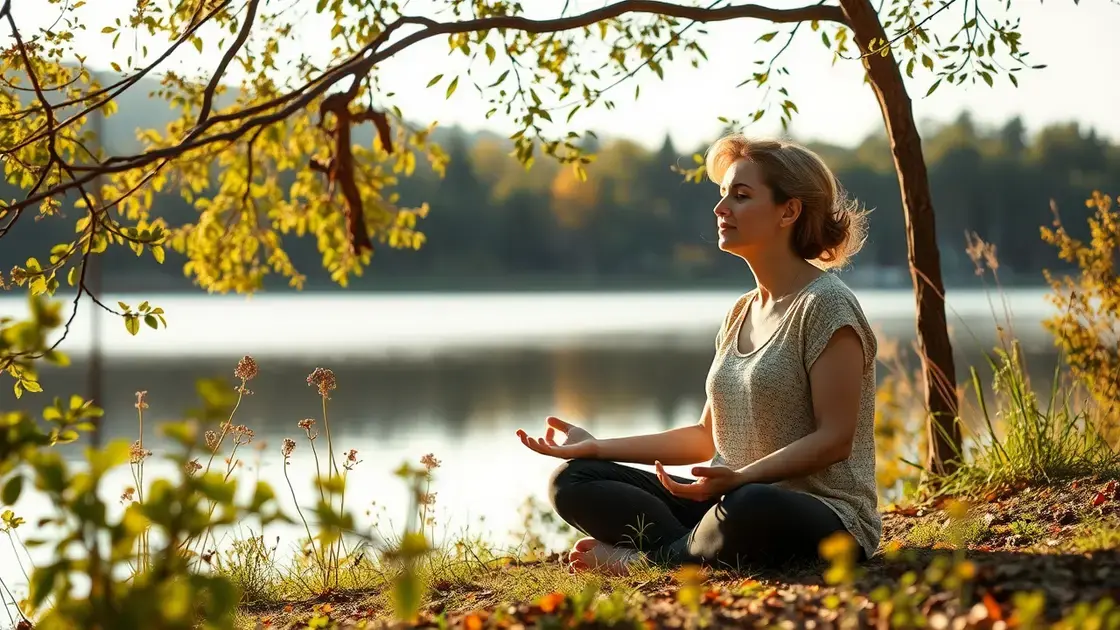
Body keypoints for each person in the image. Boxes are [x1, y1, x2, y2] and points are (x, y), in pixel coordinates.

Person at [515, 134, 881, 575]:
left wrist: (744, 477)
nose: (721, 208)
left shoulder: (826, 306)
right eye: (723, 194)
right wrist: (595, 447)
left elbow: (835, 438)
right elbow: (707, 435)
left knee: (750, 504)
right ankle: (693, 549)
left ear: (789, 210)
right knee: (574, 480)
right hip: (729, 500)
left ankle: (648, 560)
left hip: (820, 516)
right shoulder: (740, 312)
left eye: (741, 196)